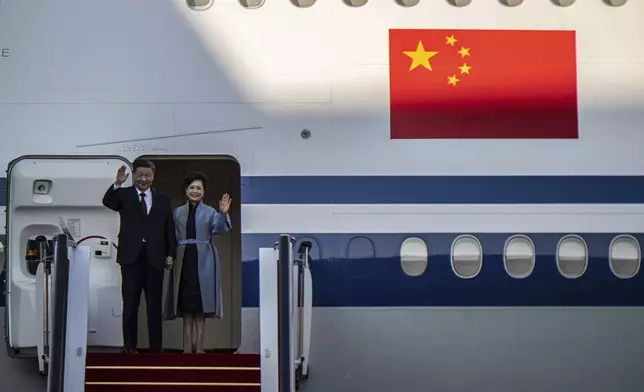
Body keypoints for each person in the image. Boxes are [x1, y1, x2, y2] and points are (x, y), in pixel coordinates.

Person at [102, 159, 176, 353]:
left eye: (147, 175)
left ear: (153, 176)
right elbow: (108, 202)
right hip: (130, 258)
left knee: (154, 304)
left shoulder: (163, 199)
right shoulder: (124, 195)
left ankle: (155, 348)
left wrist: (170, 253)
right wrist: (117, 183)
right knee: (130, 303)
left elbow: (169, 229)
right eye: (140, 175)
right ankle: (129, 346)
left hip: (154, 258)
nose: (143, 179)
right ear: (133, 175)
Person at [163, 171, 231, 354]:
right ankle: (187, 348)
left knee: (202, 304)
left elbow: (220, 229)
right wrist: (169, 256)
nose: (195, 191)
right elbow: (171, 237)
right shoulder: (177, 213)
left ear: (204, 192)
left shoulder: (210, 212)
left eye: (198, 188)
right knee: (186, 305)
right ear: (186, 191)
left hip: (204, 261)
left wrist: (223, 213)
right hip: (183, 260)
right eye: (191, 188)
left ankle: (200, 347)